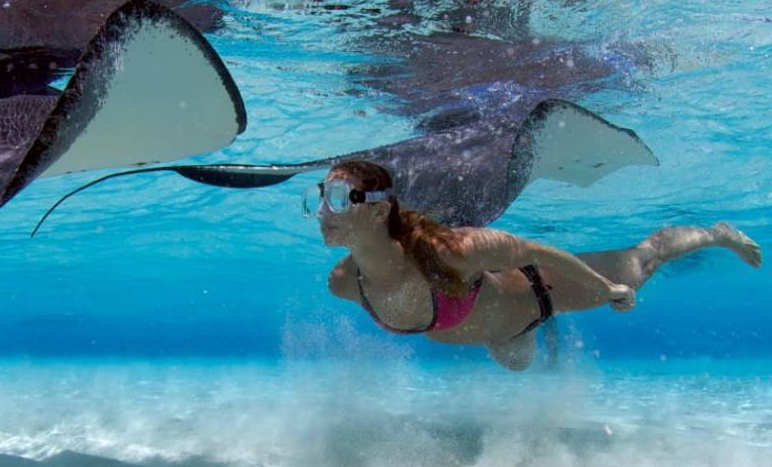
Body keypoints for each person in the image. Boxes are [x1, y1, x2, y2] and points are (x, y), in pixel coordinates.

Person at [311, 160, 762, 370]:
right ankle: (535, 333)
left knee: (644, 260)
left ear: (376, 210)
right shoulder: (343, 284)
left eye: (334, 200)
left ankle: (716, 234)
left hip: (543, 291)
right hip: (504, 333)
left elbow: (536, 252)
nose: (321, 213)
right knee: (516, 365)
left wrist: (606, 290)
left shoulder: (449, 250)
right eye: (316, 199)